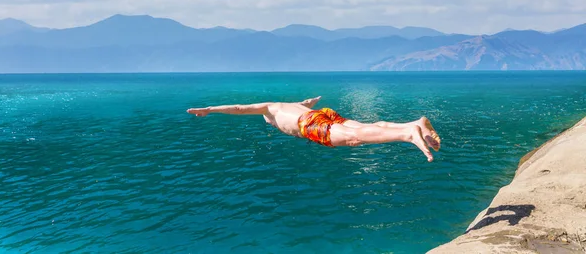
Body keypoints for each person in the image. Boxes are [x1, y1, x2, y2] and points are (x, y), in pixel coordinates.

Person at [187, 96, 441, 162]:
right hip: (320, 114)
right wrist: (311, 102)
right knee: (366, 127)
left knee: (355, 138)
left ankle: (408, 134)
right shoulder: (290, 104)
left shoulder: (269, 110)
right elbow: (307, 103)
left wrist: (210, 109)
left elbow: (240, 108)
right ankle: (413, 124)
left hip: (309, 124)